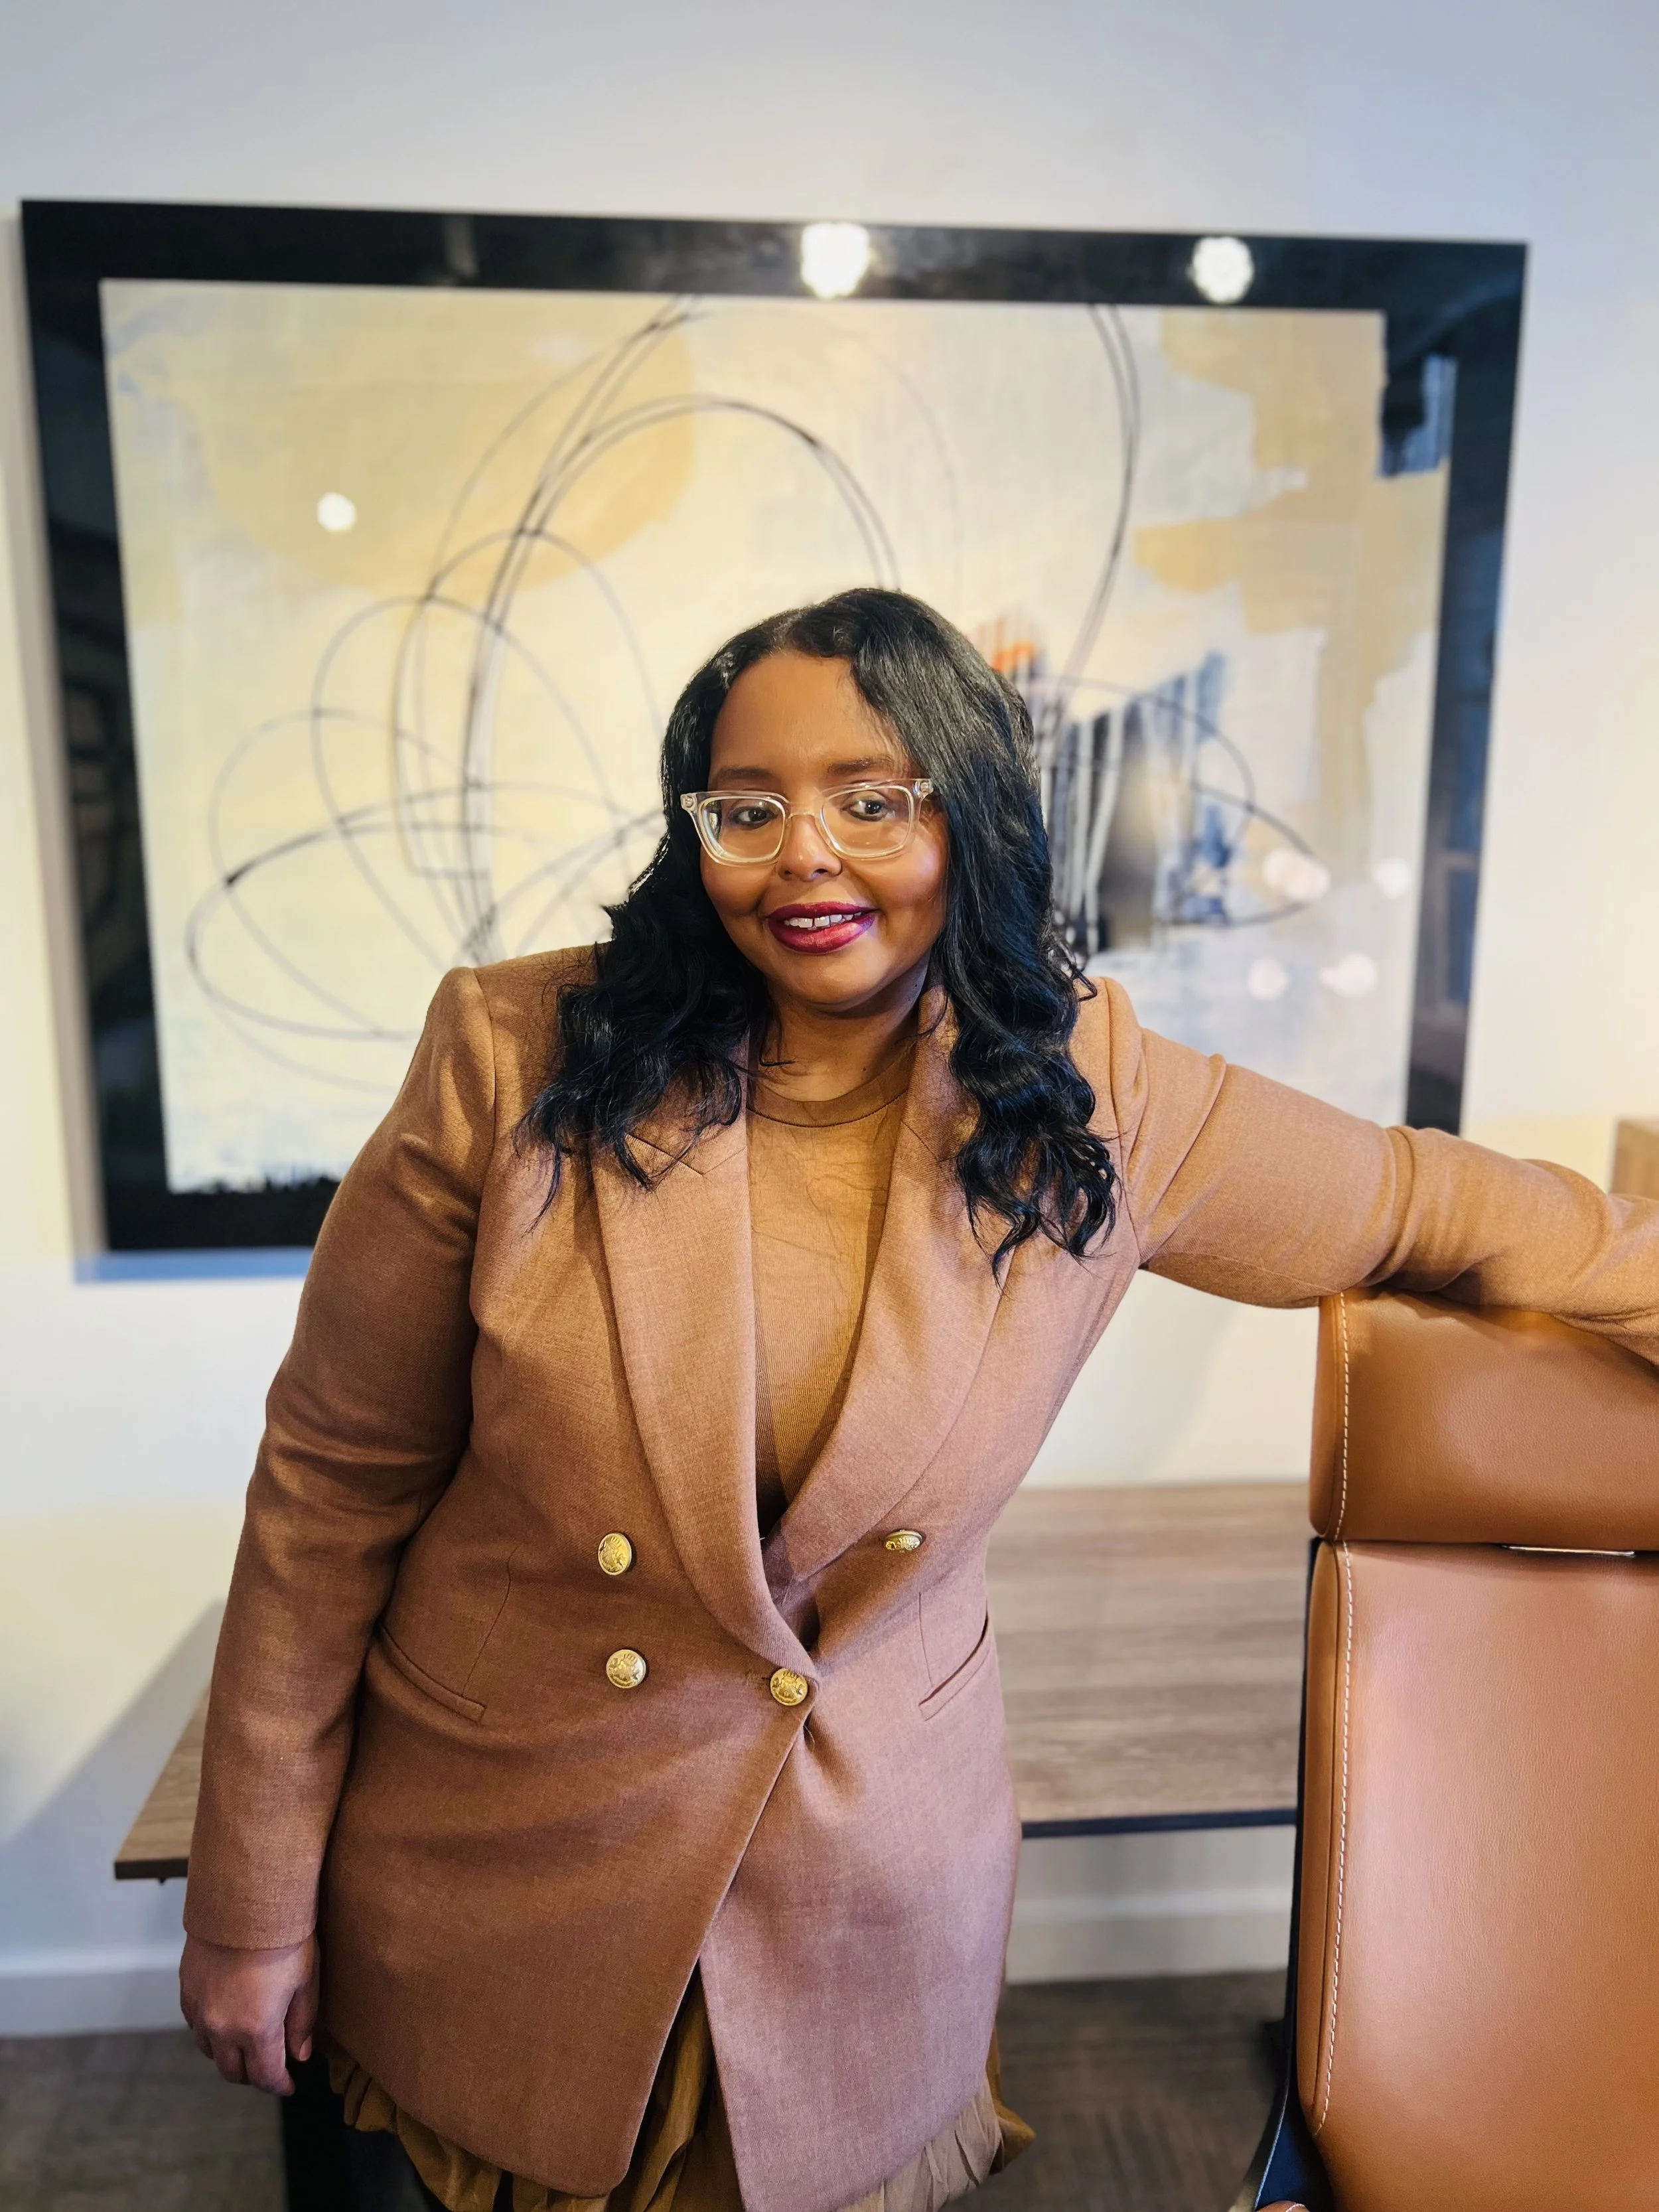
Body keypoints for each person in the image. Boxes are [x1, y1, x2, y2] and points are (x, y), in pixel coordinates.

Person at [180, 588, 1659, 2212]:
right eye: (748, 809)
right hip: (503, 1859)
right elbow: (330, 1485)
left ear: (970, 815)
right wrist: (249, 1904)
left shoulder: (1101, 1092)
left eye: (873, 800)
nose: (803, 854)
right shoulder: (519, 1050)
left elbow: (1427, 1208)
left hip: (857, 1893)